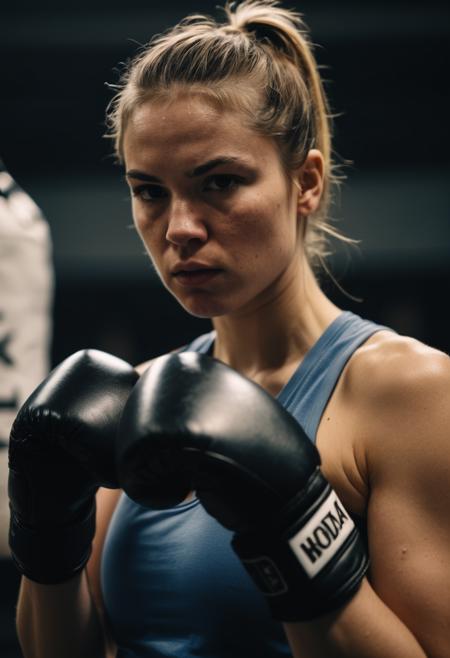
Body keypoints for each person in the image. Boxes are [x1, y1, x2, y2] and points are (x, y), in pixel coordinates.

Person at [9, 1, 450, 657]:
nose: (180, 228)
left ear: (305, 182)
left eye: (219, 182)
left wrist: (292, 523)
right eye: (150, 191)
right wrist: (47, 535)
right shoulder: (134, 398)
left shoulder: (411, 391)